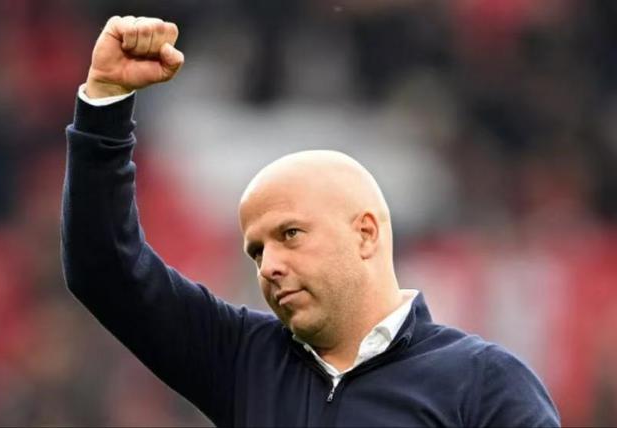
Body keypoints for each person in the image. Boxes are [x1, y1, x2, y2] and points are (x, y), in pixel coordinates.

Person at [62, 16, 560, 427]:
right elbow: (105, 269)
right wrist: (106, 102)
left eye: (290, 235)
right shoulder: (244, 360)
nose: (268, 267)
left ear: (365, 233)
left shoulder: (483, 381)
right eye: (257, 251)